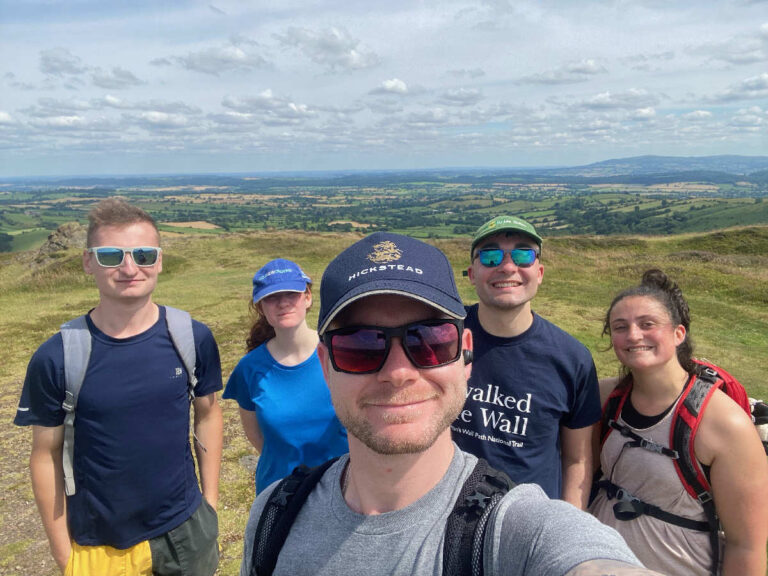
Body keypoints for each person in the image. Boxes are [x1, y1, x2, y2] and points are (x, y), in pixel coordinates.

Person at [239, 231, 662, 576]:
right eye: (360, 345)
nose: (398, 372)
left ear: (465, 356)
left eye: (430, 341)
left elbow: (583, 555)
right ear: (326, 366)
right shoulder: (275, 513)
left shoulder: (519, 530)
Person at [14, 197, 223, 576]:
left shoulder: (192, 338)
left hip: (187, 533)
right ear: (88, 261)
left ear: (158, 260)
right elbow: (45, 455)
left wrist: (209, 503)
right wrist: (64, 555)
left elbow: (208, 415)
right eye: (111, 255)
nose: (130, 268)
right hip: (98, 546)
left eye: (143, 254)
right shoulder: (57, 356)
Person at [589, 269, 768, 576]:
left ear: (678, 334)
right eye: (620, 327)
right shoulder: (605, 396)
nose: (633, 335)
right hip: (599, 563)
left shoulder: (724, 424)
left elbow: (746, 547)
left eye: (648, 324)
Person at [452, 215, 600, 508]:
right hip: (443, 512)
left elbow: (578, 460)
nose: (507, 267)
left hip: (527, 524)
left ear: (540, 272)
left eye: (523, 254)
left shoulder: (572, 359)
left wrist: (566, 526)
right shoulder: (442, 337)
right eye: (490, 255)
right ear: (471, 273)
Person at [223, 258, 348, 494]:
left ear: (308, 297)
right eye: (271, 297)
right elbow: (257, 437)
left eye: (292, 293)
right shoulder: (249, 368)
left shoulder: (340, 353)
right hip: (279, 493)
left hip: (342, 490)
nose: (283, 303)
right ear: (260, 307)